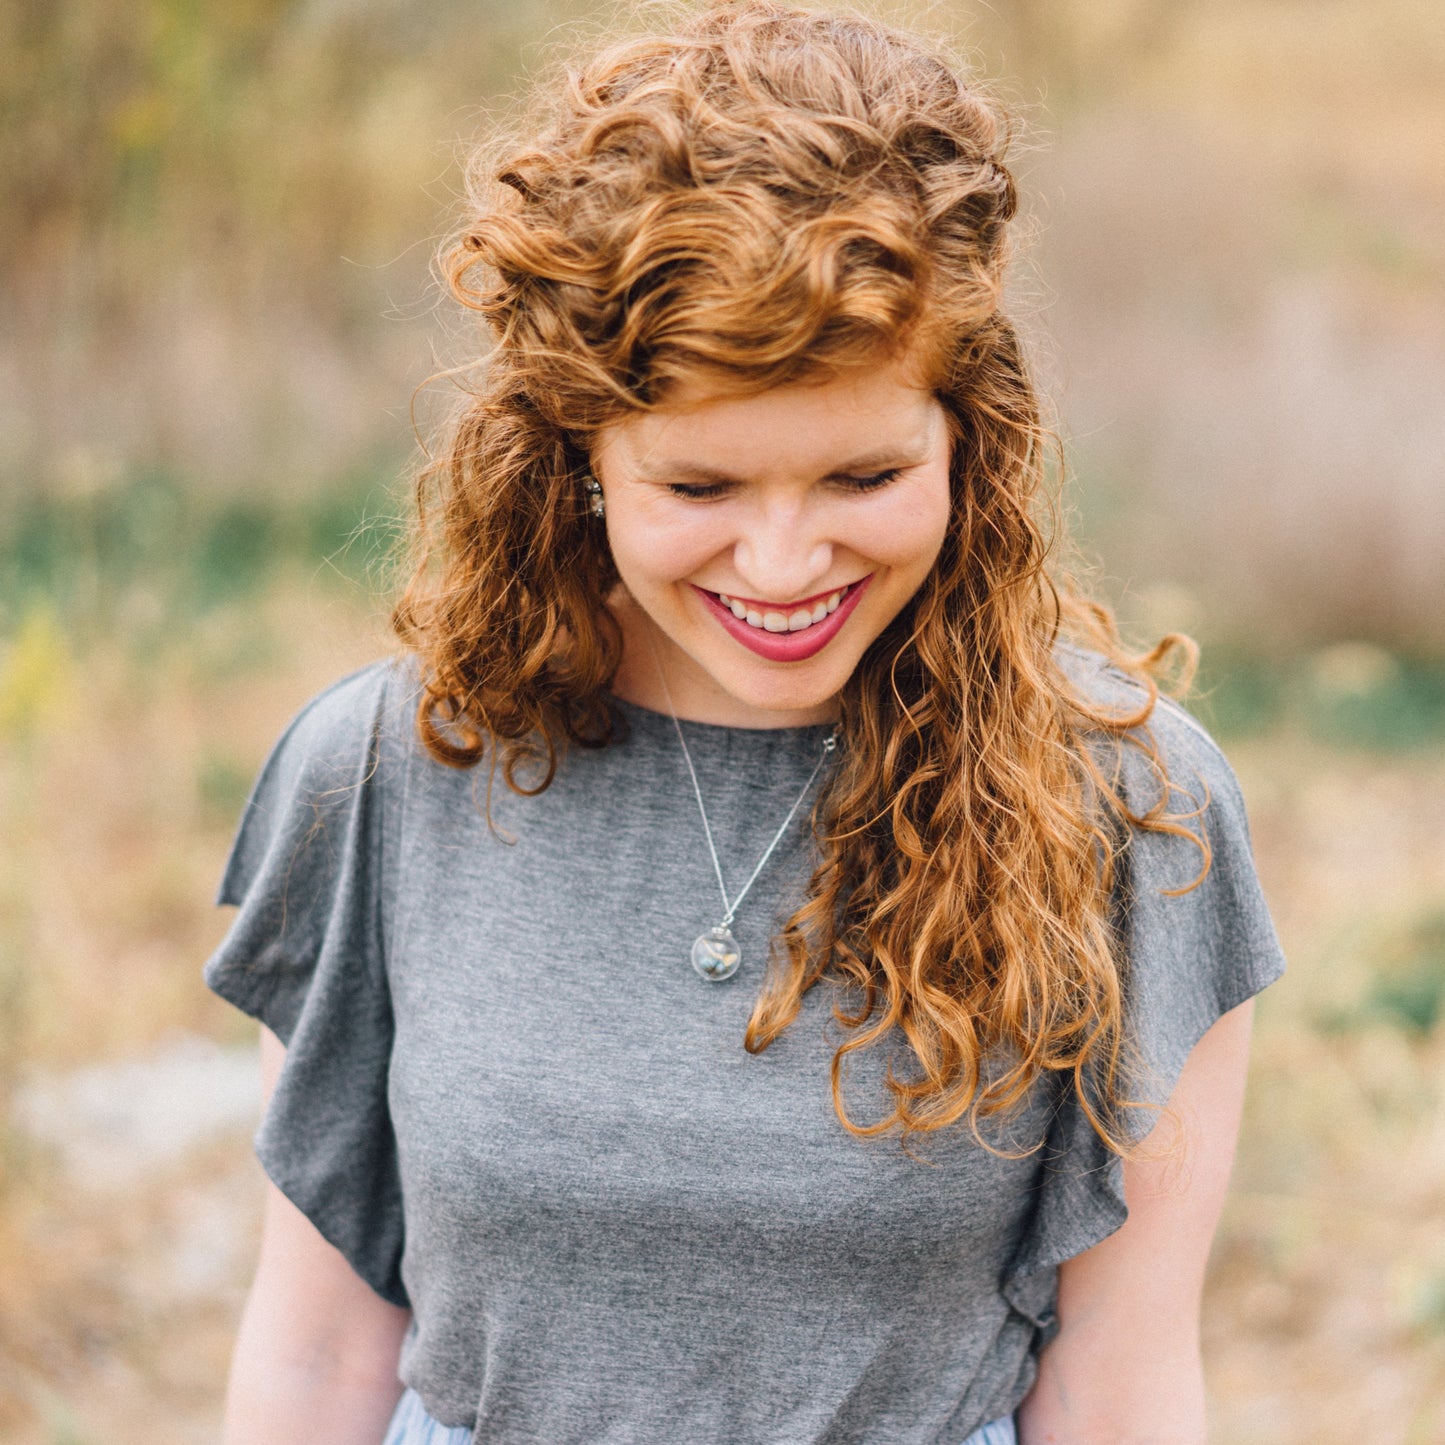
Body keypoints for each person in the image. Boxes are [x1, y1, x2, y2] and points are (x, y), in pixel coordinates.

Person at [204, 3, 1285, 1442]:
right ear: (577, 460)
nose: (781, 569)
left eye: (860, 477)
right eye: (699, 489)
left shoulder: (1129, 800)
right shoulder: (386, 774)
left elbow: (1120, 1378)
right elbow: (322, 1346)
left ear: (972, 434)